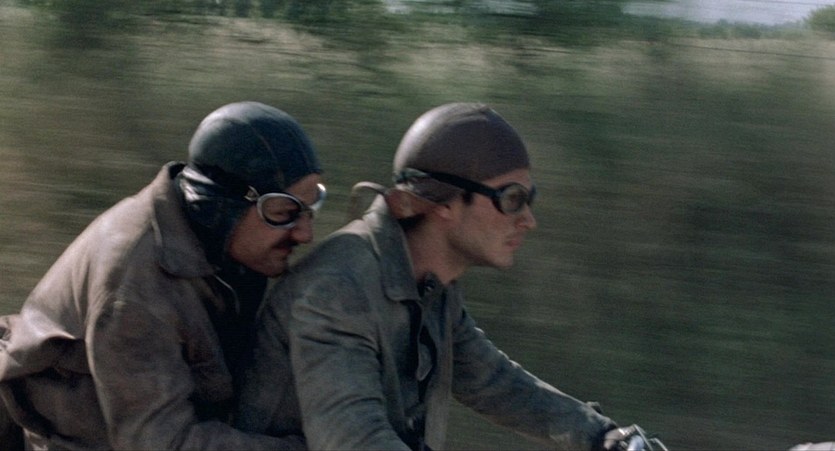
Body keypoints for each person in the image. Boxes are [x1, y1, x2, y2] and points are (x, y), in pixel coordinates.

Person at [236, 102, 640, 450]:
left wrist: (605, 437)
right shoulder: (338, 289)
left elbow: (494, 382)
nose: (528, 220)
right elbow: (354, 438)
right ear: (443, 203)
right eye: (511, 199)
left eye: (528, 199)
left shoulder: (429, 284)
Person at [0, 101, 325, 450]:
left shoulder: (227, 244)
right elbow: (162, 444)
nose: (305, 234)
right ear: (220, 205)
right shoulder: (136, 289)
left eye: (310, 209)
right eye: (284, 212)